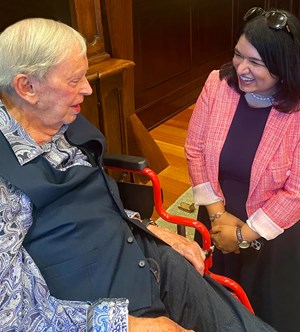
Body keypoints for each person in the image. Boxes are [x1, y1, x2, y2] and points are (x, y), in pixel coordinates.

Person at [0, 18, 276, 332]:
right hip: (96, 305)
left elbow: (100, 199)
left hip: (142, 253)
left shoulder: (60, 121)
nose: (88, 89)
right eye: (74, 80)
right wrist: (124, 325)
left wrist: (149, 229)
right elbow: (13, 317)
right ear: (27, 87)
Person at [185, 7, 300, 332]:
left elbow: (296, 191)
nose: (242, 69)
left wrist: (244, 234)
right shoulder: (217, 84)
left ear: (282, 67)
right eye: (238, 55)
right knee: (212, 305)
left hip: (273, 227)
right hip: (217, 211)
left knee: (270, 313)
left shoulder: (296, 110)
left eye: (257, 63)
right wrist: (219, 216)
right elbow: (194, 150)